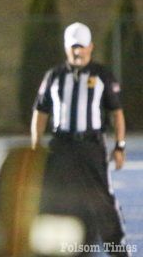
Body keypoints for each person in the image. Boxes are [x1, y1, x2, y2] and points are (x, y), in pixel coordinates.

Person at [31, 22, 128, 256]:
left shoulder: (102, 75)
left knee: (102, 201)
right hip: (61, 146)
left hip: (90, 146)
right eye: (73, 47)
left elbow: (117, 113)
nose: (77, 51)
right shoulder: (54, 76)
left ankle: (117, 251)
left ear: (90, 47)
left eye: (82, 47)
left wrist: (119, 146)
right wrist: (35, 147)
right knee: (55, 200)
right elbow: (40, 112)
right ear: (66, 48)